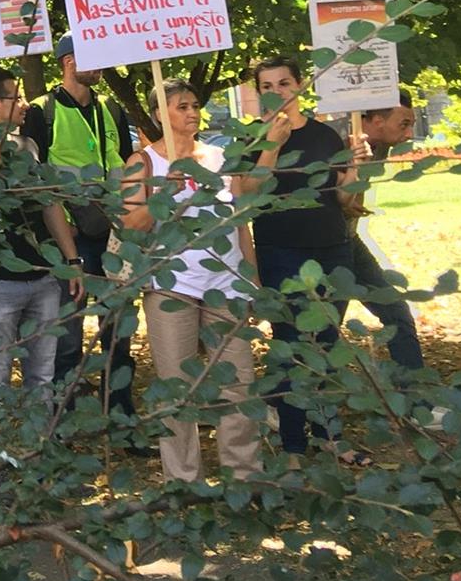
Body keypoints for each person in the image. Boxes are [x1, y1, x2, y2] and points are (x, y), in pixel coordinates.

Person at [118, 78, 260, 483]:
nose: (192, 112)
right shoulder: (142, 162)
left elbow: (239, 221)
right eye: (181, 106)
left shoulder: (218, 157)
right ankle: (183, 481)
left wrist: (250, 279)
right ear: (160, 113)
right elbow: (131, 224)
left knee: (238, 383)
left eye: (195, 105)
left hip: (227, 285)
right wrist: (165, 191)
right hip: (171, 285)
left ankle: (244, 476)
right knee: (176, 387)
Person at [241, 55, 366, 465]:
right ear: (257, 93)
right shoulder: (252, 141)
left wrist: (355, 173)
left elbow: (347, 203)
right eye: (266, 86)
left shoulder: (326, 137)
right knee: (291, 348)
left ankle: (329, 433)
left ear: (298, 87)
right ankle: (293, 443)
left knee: (327, 347)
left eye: (283, 83)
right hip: (281, 254)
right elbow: (248, 199)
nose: (276, 92)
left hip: (331, 250)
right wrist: (271, 147)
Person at [23, 35, 137, 424]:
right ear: (68, 61)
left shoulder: (111, 109)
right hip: (69, 238)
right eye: (95, 57)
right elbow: (32, 180)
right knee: (67, 337)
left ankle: (119, 415)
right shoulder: (42, 111)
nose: (103, 64)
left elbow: (126, 162)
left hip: (114, 235)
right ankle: (62, 422)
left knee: (119, 333)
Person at [0, 70, 83, 402]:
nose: (24, 105)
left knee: (42, 375)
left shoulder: (28, 146)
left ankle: (39, 449)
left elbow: (49, 204)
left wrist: (71, 259)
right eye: (16, 98)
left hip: (43, 278)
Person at [347, 92, 428, 380]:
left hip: (349, 242)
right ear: (377, 120)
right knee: (318, 330)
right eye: (404, 124)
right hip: (324, 248)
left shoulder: (380, 146)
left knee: (397, 314)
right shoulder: (339, 141)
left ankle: (416, 404)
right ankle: (283, 408)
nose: (409, 133)